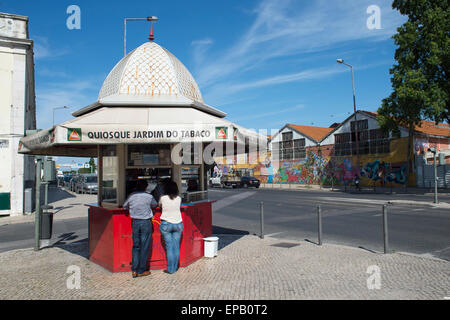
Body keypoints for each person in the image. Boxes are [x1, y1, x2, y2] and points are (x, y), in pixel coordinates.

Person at [123, 179, 157, 278]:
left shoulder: (131, 196)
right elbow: (155, 204)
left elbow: (125, 206)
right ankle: (141, 270)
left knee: (136, 246)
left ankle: (134, 270)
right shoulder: (149, 196)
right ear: (146, 187)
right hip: (146, 222)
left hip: (135, 222)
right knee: (144, 246)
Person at [159, 180, 183, 274]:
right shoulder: (179, 199)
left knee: (169, 247)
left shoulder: (163, 198)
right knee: (176, 247)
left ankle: (170, 269)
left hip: (166, 224)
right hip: (178, 224)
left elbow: (159, 205)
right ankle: (175, 267)